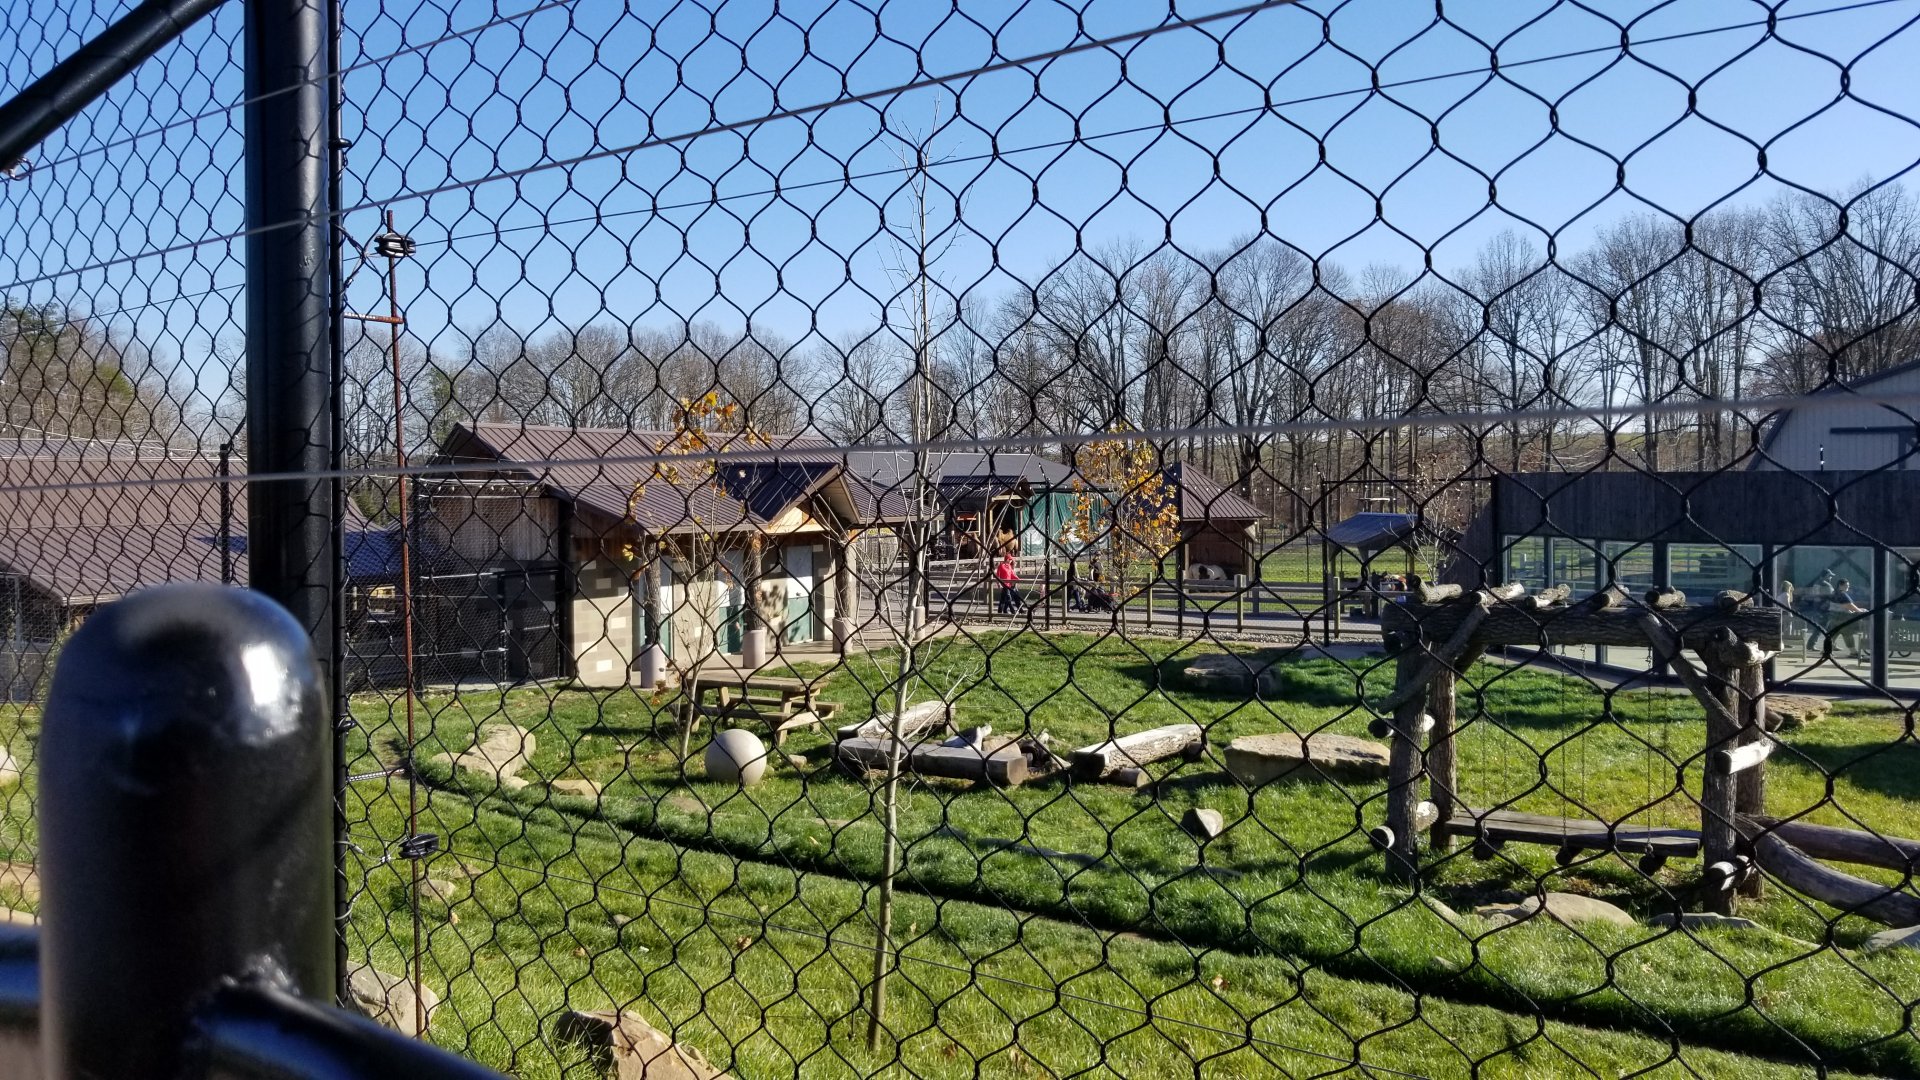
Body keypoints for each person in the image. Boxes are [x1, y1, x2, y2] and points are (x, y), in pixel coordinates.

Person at [1825, 577, 1868, 659]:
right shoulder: (1842, 594)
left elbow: (1844, 606)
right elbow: (1849, 605)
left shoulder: (1834, 593)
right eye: (1846, 585)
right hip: (1842, 618)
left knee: (1833, 634)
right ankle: (1853, 652)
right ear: (1840, 585)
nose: (1848, 587)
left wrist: (1857, 610)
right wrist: (1859, 610)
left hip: (1833, 617)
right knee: (1848, 634)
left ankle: (1826, 651)